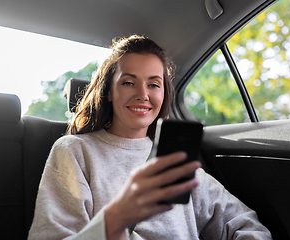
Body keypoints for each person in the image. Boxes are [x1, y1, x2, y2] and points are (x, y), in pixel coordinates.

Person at [28, 34, 272, 240]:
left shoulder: (174, 157)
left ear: (164, 94)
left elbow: (247, 225)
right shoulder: (75, 151)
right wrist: (117, 218)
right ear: (109, 92)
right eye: (128, 83)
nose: (142, 94)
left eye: (154, 85)